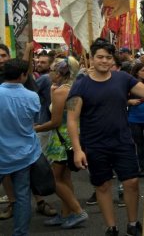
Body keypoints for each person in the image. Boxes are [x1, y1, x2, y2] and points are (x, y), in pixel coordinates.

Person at [66, 38, 144, 236]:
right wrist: (77, 150)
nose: (104, 61)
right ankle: (111, 227)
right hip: (94, 145)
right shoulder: (81, 85)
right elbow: (71, 119)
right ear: (92, 59)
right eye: (100, 57)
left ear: (113, 59)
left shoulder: (123, 79)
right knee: (102, 186)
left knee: (132, 183)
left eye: (108, 57)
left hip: (123, 142)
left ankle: (132, 223)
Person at [34, 56, 89, 229]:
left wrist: (35, 129)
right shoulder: (75, 86)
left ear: (60, 73)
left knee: (53, 178)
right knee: (64, 177)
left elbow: (55, 121)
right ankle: (67, 214)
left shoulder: (61, 92)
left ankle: (78, 211)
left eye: (52, 70)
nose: (49, 73)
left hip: (61, 139)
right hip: (73, 136)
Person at [0, 58, 42, 236]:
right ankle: (20, 233)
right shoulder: (32, 96)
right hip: (24, 153)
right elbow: (36, 120)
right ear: (24, 75)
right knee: (23, 195)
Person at [127, 63, 144, 176]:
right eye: (143, 70)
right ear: (137, 72)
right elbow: (122, 98)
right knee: (139, 145)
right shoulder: (130, 84)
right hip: (135, 118)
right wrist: (129, 102)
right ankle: (143, 167)